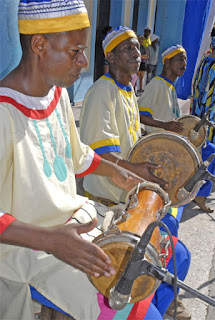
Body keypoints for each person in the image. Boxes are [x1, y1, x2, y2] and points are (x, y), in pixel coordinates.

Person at [0, 2, 168, 320]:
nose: (85, 62)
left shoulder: (57, 95)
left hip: (71, 227)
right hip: (26, 248)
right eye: (76, 50)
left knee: (146, 266)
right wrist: (50, 239)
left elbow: (77, 155)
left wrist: (122, 174)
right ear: (39, 45)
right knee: (137, 312)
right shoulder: (4, 112)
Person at [79, 27, 191, 320]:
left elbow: (133, 142)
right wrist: (137, 170)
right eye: (128, 49)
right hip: (105, 201)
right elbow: (100, 153)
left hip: (129, 195)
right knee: (157, 247)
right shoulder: (101, 91)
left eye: (137, 49)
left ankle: (157, 299)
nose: (137, 54)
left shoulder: (128, 90)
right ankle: (143, 305)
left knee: (172, 241)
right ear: (110, 56)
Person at [191, 26, 215, 213]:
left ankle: (196, 190)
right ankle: (201, 195)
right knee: (210, 158)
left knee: (202, 156)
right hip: (211, 120)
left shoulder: (205, 62)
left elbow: (196, 89)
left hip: (201, 117)